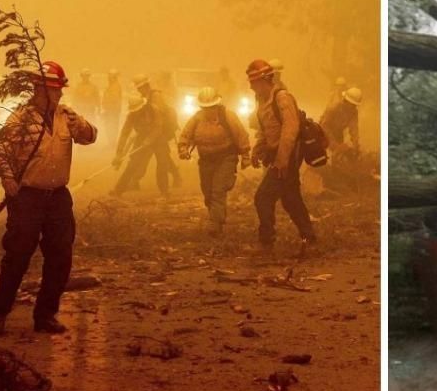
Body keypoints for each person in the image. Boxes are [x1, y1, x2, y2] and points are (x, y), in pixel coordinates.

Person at [0, 60, 97, 336]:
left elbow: (89, 137)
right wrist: (8, 178)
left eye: (60, 89)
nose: (59, 94)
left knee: (61, 255)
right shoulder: (20, 120)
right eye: (54, 90)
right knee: (18, 255)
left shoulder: (65, 115)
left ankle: (45, 315)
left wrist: (80, 124)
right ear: (39, 90)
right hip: (27, 197)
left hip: (58, 196)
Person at [247, 58, 315, 252]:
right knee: (291, 198)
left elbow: (290, 131)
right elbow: (265, 129)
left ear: (263, 81)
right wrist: (257, 149)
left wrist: (282, 160)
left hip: (289, 154)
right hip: (277, 153)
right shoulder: (261, 100)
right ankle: (309, 236)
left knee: (263, 197)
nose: (251, 87)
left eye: (253, 83)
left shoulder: (282, 97)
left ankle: (266, 241)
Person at [178, 86, 251, 237]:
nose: (208, 110)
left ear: (217, 105)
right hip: (206, 160)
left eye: (211, 107)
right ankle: (218, 216)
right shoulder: (197, 118)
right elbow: (185, 135)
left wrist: (245, 156)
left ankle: (215, 225)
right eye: (205, 108)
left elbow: (241, 135)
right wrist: (183, 149)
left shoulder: (228, 117)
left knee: (218, 190)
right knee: (208, 192)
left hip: (226, 158)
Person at [111, 77, 171, 197]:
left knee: (162, 165)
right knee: (132, 164)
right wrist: (119, 153)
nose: (136, 112)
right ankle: (118, 190)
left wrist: (149, 140)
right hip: (142, 138)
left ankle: (164, 192)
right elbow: (124, 133)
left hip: (159, 139)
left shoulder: (154, 110)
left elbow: (158, 127)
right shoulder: (132, 115)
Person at [321, 85, 362, 153]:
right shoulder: (333, 108)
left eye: (355, 105)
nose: (353, 107)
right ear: (346, 101)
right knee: (324, 154)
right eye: (352, 104)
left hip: (338, 132)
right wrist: (333, 144)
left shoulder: (354, 112)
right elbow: (324, 126)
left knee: (340, 154)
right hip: (324, 132)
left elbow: (354, 128)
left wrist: (356, 144)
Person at [102, 69, 124, 143]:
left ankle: (112, 142)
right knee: (109, 125)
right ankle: (111, 142)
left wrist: (108, 107)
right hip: (109, 110)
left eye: (110, 77)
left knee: (112, 126)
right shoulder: (111, 86)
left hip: (113, 110)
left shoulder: (116, 86)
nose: (108, 78)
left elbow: (114, 99)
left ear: (114, 77)